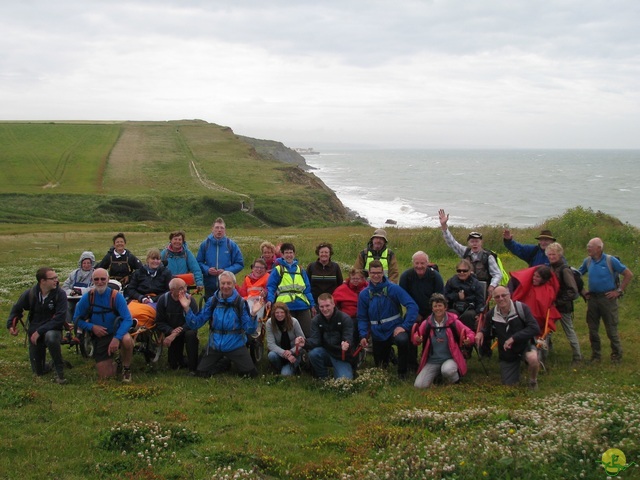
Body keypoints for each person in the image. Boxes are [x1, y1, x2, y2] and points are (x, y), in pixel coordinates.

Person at [180, 271, 260, 377]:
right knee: (201, 373)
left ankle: (228, 360)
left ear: (234, 285)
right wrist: (187, 309)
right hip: (215, 345)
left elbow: (249, 329)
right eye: (223, 283)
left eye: (228, 283)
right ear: (219, 284)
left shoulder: (240, 303)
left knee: (251, 375)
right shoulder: (212, 301)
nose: (225, 286)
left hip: (235, 345)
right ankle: (224, 363)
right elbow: (196, 324)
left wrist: (253, 314)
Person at [357, 260, 419, 379]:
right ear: (369, 273)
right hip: (377, 332)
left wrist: (404, 326)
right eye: (373, 273)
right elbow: (362, 317)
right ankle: (389, 355)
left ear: (383, 273)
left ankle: (403, 372)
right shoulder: (364, 294)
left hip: (394, 328)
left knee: (402, 340)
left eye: (379, 273)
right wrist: (363, 335)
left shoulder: (393, 288)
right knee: (380, 366)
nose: (376, 275)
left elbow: (412, 306)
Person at [7, 267, 68, 384]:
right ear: (42, 281)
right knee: (38, 372)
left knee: (50, 337)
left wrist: (40, 331)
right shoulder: (30, 294)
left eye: (56, 277)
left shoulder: (60, 294)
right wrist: (11, 325)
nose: (56, 280)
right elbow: (16, 309)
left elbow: (60, 318)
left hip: (53, 330)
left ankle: (59, 371)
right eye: (53, 278)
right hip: (34, 332)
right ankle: (48, 365)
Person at [578, 237, 633, 363]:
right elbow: (576, 276)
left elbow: (628, 274)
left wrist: (618, 291)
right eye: (588, 246)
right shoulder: (587, 261)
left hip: (607, 299)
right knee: (592, 328)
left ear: (599, 248)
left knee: (611, 328)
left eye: (590, 246)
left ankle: (616, 356)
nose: (588, 248)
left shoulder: (610, 260)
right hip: (593, 298)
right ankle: (596, 356)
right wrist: (582, 291)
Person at [74, 269, 135, 382]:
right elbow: (77, 320)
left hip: (117, 332)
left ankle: (126, 368)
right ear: (92, 281)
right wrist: (92, 327)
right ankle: (116, 363)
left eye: (103, 279)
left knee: (127, 340)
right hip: (100, 336)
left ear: (108, 280)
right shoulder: (88, 297)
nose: (100, 282)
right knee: (106, 377)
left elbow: (127, 319)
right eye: (96, 279)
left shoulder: (116, 296)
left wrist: (117, 338)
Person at [476, 287, 540, 389]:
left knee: (533, 358)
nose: (501, 299)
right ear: (494, 299)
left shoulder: (521, 308)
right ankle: (516, 371)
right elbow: (487, 331)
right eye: (497, 297)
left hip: (525, 346)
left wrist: (513, 338)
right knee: (509, 385)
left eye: (503, 295)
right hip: (507, 353)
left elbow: (535, 328)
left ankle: (533, 380)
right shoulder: (491, 314)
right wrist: (480, 333)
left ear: (509, 295)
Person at [411, 293, 475, 388]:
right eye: (435, 306)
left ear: (445, 307)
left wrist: (468, 339)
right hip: (432, 360)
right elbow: (416, 337)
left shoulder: (453, 322)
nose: (438, 308)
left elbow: (470, 333)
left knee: (447, 370)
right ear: (432, 309)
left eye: (440, 305)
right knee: (419, 385)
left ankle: (455, 381)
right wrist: (417, 338)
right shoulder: (427, 323)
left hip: (450, 358)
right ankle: (438, 376)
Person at [438, 209, 502, 295]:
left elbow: (497, 274)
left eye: (477, 241)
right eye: (472, 241)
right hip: (465, 286)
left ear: (481, 242)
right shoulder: (464, 252)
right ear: (468, 243)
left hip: (482, 288)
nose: (474, 244)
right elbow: (451, 242)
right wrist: (444, 225)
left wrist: (492, 286)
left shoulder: (488, 256)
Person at [399, 251, 445, 370]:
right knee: (409, 330)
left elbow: (439, 298)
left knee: (432, 332)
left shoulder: (435, 276)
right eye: (417, 263)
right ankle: (411, 363)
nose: (419, 266)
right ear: (412, 263)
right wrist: (415, 313)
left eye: (422, 263)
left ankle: (430, 361)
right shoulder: (406, 276)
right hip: (413, 311)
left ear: (428, 263)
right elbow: (404, 297)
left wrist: (430, 316)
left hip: (432, 312)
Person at [509, 265, 561, 363]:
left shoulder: (548, 290)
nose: (534, 278)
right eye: (534, 276)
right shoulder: (527, 286)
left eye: (537, 277)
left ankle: (535, 357)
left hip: (538, 322)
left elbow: (544, 309)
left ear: (544, 279)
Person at [266, 242, 316, 337]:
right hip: (285, 307)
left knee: (307, 333)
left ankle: (305, 350)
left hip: (302, 306)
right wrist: (270, 300)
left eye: (291, 252)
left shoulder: (300, 270)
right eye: (286, 253)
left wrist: (312, 305)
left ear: (294, 254)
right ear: (282, 254)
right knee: (289, 334)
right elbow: (271, 287)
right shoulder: (278, 270)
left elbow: (307, 289)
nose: (289, 255)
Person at [545, 242, 583, 363]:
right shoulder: (550, 268)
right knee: (546, 332)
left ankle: (577, 357)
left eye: (554, 254)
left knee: (569, 332)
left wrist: (558, 302)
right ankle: (544, 356)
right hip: (553, 306)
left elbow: (573, 291)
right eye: (549, 254)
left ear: (560, 254)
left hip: (563, 307)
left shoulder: (565, 270)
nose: (551, 257)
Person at [155, 277, 199, 373]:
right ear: (172, 290)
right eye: (181, 288)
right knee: (173, 364)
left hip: (187, 331)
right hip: (171, 332)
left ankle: (193, 367)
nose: (184, 290)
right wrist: (170, 331)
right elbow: (159, 322)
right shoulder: (163, 300)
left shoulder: (190, 300)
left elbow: (195, 321)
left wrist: (175, 333)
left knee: (190, 335)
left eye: (185, 287)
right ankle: (180, 360)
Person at [307, 293, 354, 380]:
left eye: (327, 306)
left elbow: (348, 336)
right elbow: (315, 341)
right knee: (313, 353)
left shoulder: (345, 318)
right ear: (318, 307)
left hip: (341, 355)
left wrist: (346, 343)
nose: (325, 309)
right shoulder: (315, 320)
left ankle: (345, 370)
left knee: (344, 381)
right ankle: (323, 377)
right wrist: (304, 342)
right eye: (321, 307)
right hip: (325, 352)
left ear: (333, 304)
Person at [197, 217, 245, 299]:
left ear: (225, 230)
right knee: (211, 309)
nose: (219, 230)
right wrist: (207, 270)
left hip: (227, 286)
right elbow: (198, 262)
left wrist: (226, 271)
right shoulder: (205, 244)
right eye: (217, 227)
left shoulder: (231, 245)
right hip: (210, 286)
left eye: (222, 228)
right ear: (212, 229)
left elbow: (240, 263)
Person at [443, 259, 485, 333]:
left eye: (464, 271)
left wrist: (479, 313)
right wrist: (457, 296)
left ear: (469, 271)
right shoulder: (451, 282)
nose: (461, 273)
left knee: (468, 316)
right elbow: (445, 296)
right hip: (454, 307)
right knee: (451, 315)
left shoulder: (476, 283)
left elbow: (480, 300)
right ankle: (453, 337)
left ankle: (467, 337)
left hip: (470, 308)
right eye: (459, 271)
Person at [265, 302, 306, 376]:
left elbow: (302, 340)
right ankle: (279, 368)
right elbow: (270, 344)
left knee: (285, 374)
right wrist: (285, 354)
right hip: (279, 352)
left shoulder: (294, 322)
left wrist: (291, 351)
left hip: (294, 353)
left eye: (282, 312)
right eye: (277, 313)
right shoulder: (269, 323)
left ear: (286, 313)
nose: (279, 315)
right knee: (271, 355)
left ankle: (292, 368)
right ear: (273, 313)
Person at [333, 268, 368, 350]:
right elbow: (332, 304)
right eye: (353, 278)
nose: (355, 280)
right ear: (349, 278)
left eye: (358, 278)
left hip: (364, 316)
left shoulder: (367, 288)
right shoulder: (342, 289)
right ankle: (350, 348)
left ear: (362, 278)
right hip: (348, 317)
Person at [62, 251, 95, 324]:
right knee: (67, 305)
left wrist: (80, 291)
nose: (86, 265)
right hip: (71, 298)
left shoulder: (95, 274)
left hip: (87, 298)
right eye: (84, 263)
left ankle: (78, 324)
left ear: (92, 263)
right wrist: (70, 292)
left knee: (78, 305)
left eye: (88, 263)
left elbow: (94, 288)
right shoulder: (74, 274)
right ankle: (68, 325)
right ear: (81, 263)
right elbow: (65, 286)